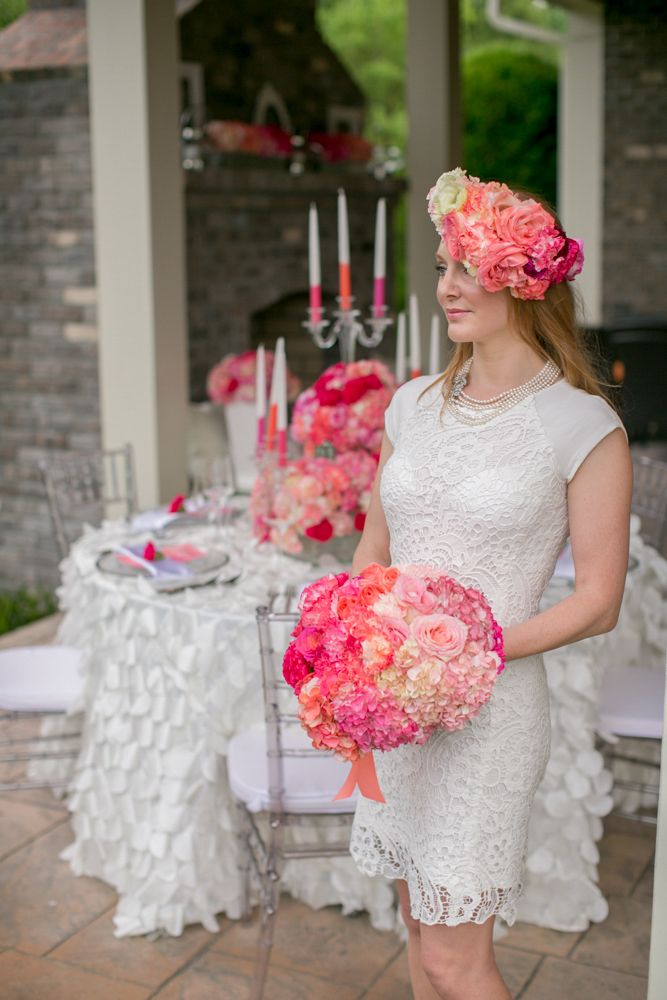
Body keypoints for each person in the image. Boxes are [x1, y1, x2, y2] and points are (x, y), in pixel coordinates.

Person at [349, 168, 632, 1000]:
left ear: (523, 280)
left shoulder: (583, 425)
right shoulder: (411, 405)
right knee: (414, 927)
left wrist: (459, 657)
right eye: (442, 267)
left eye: (465, 269)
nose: (446, 288)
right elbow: (374, 546)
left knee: (454, 961)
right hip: (398, 710)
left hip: (490, 715)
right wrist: (361, 645)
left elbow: (597, 601)